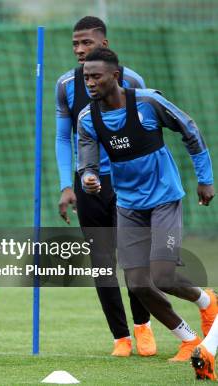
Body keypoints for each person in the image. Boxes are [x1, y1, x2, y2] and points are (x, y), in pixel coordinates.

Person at [77, 47, 216, 362]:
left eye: (96, 76)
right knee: (138, 283)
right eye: (86, 77)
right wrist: (89, 177)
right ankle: (188, 339)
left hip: (164, 198)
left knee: (164, 276)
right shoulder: (88, 119)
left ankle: (207, 301)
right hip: (128, 205)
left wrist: (205, 179)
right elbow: (87, 163)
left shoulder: (148, 102)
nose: (90, 82)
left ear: (116, 75)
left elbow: (189, 130)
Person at [55, 15, 154, 357]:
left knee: (134, 257)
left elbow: (145, 131)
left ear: (104, 45)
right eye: (75, 44)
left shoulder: (132, 81)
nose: (79, 50)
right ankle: (120, 337)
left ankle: (143, 327)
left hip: (129, 182)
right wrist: (67, 183)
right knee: (101, 261)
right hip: (89, 182)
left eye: (86, 43)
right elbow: (61, 137)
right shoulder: (66, 85)